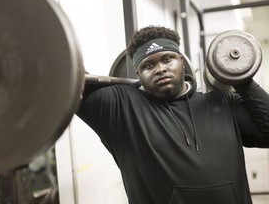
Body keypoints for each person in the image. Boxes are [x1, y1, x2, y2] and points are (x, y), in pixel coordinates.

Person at [77, 25, 269, 204]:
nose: (160, 69)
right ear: (138, 73)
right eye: (148, 66)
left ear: (182, 62)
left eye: (167, 59)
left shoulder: (222, 102)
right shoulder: (121, 108)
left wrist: (241, 78)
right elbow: (68, 78)